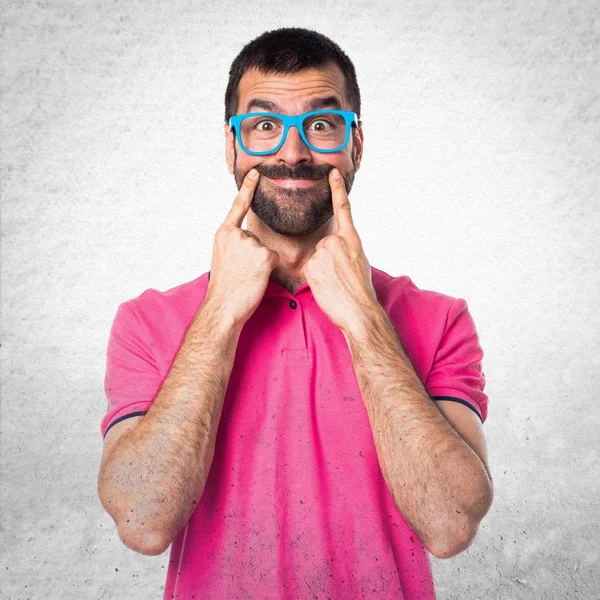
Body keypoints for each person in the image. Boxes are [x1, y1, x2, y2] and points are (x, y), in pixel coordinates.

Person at [97, 27, 493, 600]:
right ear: (232, 147)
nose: (292, 151)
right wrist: (220, 315)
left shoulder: (440, 319)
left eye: (321, 124)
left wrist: (363, 317)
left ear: (355, 145)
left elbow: (451, 524)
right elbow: (143, 521)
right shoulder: (147, 322)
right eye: (264, 126)